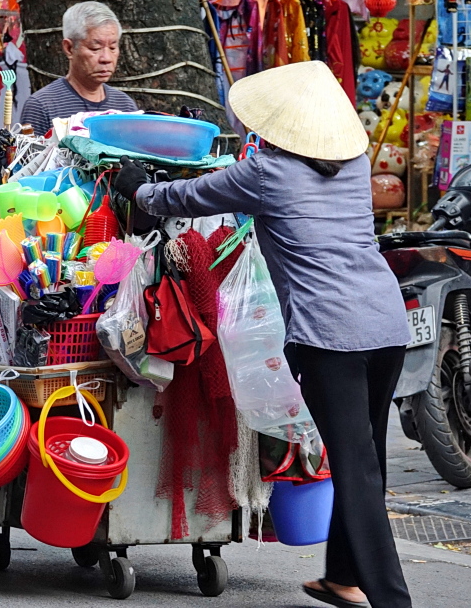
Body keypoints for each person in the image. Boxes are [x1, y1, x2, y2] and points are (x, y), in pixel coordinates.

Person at [115, 61, 413, 608]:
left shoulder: (266, 173)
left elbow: (187, 198)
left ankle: (393, 600)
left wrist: (140, 190)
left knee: (355, 465)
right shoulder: (351, 164)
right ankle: (343, 576)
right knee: (365, 456)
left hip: (331, 333)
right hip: (385, 322)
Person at [19, 1, 138, 136]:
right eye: (95, 48)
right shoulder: (42, 106)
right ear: (69, 48)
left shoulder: (125, 107)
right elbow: (29, 157)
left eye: (112, 47)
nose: (106, 58)